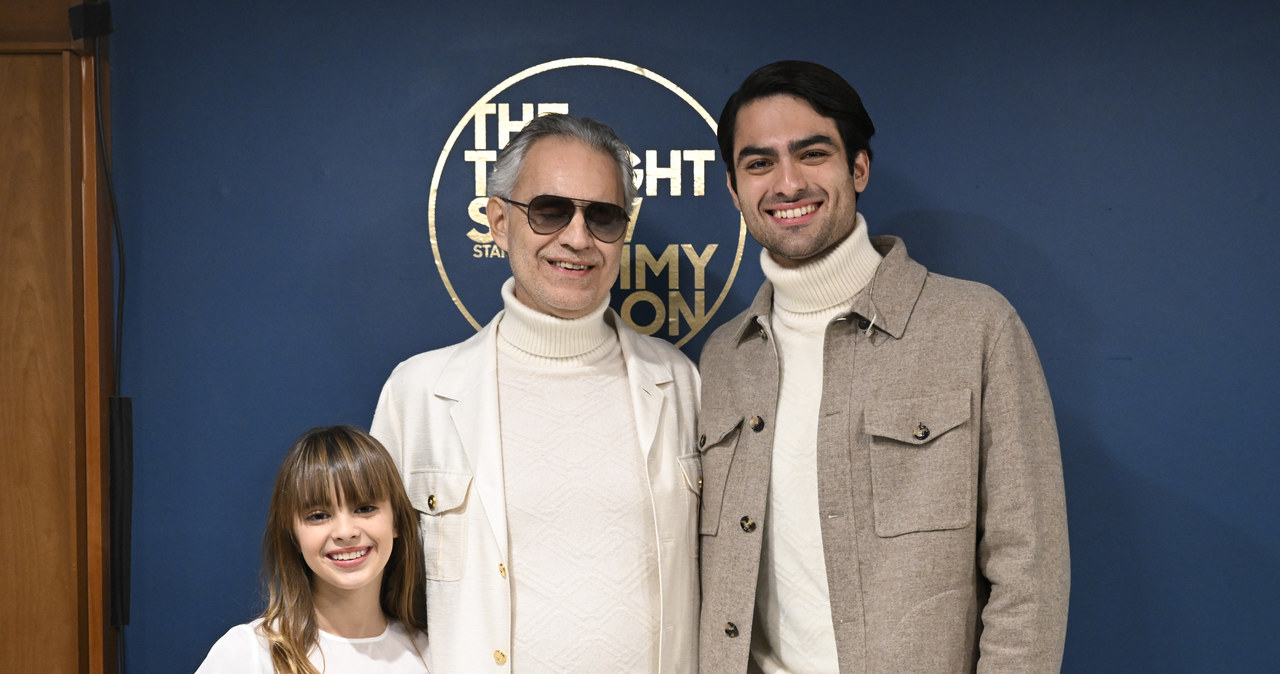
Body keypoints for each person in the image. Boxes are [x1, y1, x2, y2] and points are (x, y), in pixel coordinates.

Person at [697, 60, 1069, 672]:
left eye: (812, 154)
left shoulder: (975, 327)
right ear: (736, 191)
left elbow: (1030, 571)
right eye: (759, 163)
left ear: (858, 167)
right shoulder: (723, 359)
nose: (787, 184)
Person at [372, 113, 700, 673]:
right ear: (499, 221)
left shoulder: (682, 383)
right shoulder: (418, 393)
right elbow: (368, 599)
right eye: (550, 211)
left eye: (603, 216)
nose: (577, 238)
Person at [196, 425, 430, 673]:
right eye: (319, 516)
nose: (345, 531)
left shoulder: (429, 655)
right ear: (294, 536)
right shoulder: (251, 653)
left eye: (364, 508)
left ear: (397, 521)